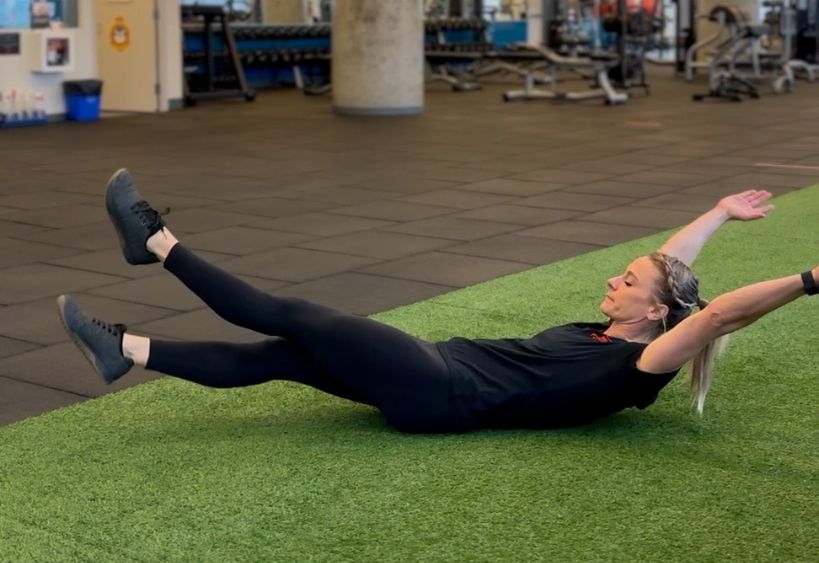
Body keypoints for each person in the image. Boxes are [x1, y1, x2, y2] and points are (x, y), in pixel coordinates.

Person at [58, 170, 818, 433]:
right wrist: (717, 213)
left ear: (653, 314)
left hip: (439, 385)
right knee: (281, 357)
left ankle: (155, 242)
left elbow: (716, 313)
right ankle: (124, 351)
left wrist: (809, 281)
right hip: (431, 383)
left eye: (627, 283)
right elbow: (672, 273)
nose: (615, 282)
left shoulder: (637, 368)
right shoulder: (621, 329)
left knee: (291, 315)